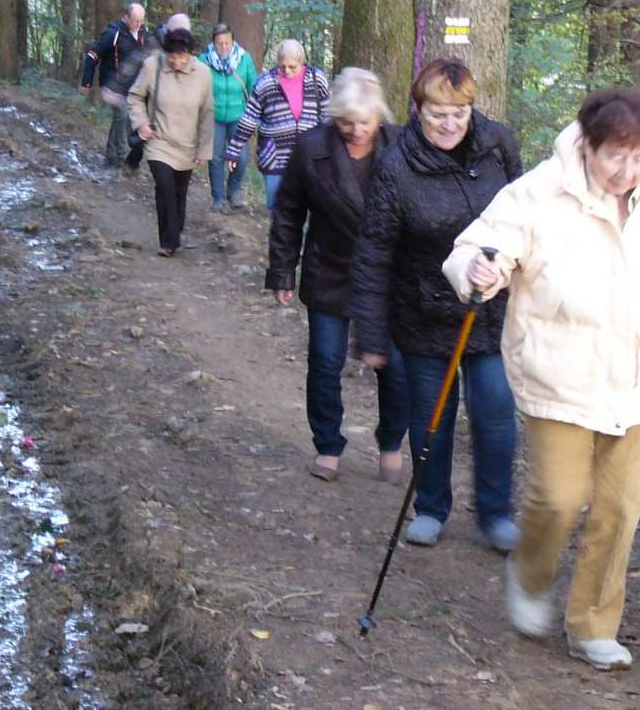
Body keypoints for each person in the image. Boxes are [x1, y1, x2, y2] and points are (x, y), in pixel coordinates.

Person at [442, 87, 640, 672]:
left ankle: (593, 625)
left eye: (639, 157)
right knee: (558, 497)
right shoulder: (538, 193)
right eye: (614, 157)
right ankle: (530, 576)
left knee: (619, 508)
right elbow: (477, 249)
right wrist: (476, 268)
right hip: (557, 374)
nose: (627, 171)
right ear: (588, 146)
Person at [350, 59, 523, 552]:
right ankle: (430, 507)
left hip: (488, 309)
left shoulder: (499, 145)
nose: (449, 124)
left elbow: (522, 216)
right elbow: (374, 251)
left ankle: (495, 513)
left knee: (494, 410)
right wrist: (371, 331)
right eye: (437, 114)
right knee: (433, 416)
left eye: (459, 113)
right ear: (417, 110)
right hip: (422, 312)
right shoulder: (395, 166)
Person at [268, 68, 408, 483]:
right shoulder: (311, 147)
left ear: (379, 117)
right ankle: (328, 444)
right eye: (346, 122)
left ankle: (390, 441)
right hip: (329, 268)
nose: (356, 130)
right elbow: (289, 213)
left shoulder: (403, 146)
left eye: (364, 121)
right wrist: (281, 271)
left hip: (388, 277)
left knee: (395, 368)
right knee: (325, 363)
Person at [127, 28, 215, 257]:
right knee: (164, 188)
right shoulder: (152, 66)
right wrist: (141, 123)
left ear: (190, 54)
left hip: (187, 144)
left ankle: (175, 231)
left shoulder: (203, 73)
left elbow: (207, 113)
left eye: (181, 56)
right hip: (159, 141)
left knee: (179, 193)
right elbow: (135, 96)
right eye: (172, 56)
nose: (176, 61)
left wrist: (204, 149)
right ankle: (168, 242)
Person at [224, 39, 330, 212]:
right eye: (282, 66)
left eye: (292, 66)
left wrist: (329, 150)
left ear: (302, 62)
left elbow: (327, 116)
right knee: (277, 209)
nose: (287, 71)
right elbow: (250, 117)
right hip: (274, 157)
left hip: (308, 157)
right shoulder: (265, 82)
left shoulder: (317, 79)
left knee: (305, 208)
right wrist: (234, 149)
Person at [80, 2, 156, 174]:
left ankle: (111, 155)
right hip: (111, 86)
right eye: (135, 20)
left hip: (132, 87)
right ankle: (120, 158)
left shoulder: (144, 35)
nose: (138, 24)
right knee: (122, 114)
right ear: (126, 17)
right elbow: (93, 55)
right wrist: (87, 82)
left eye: (141, 21)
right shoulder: (113, 33)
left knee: (124, 119)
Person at [200, 24, 257, 212]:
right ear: (213, 43)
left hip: (238, 116)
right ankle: (218, 198)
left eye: (227, 43)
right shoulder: (204, 61)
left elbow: (253, 88)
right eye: (219, 43)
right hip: (213, 116)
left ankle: (233, 191)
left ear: (233, 42)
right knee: (215, 157)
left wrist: (253, 115)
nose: (223, 47)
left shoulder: (244, 59)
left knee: (240, 157)